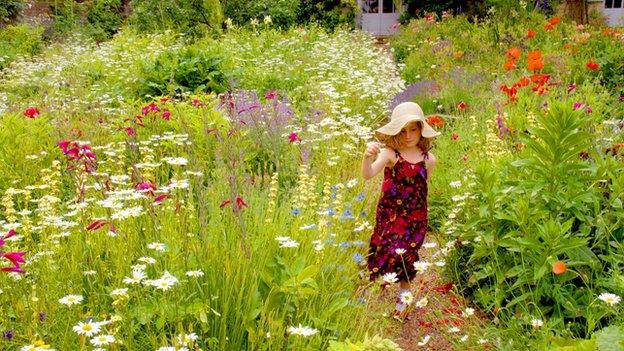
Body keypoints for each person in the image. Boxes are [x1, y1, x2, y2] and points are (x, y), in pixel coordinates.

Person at [361, 101, 440, 320]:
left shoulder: (428, 160)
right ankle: (376, 287)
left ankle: (404, 294)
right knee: (385, 248)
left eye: (413, 129)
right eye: (403, 130)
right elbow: (368, 175)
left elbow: (424, 188)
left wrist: (420, 214)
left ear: (421, 130)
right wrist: (366, 158)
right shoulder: (390, 154)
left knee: (408, 255)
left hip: (415, 216)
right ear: (396, 130)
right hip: (390, 214)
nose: (408, 135)